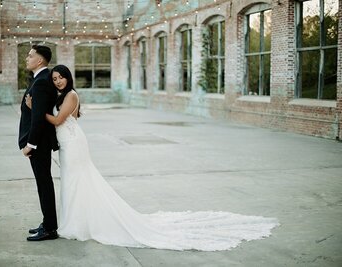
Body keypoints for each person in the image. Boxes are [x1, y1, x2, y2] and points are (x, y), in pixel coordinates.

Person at [27, 64, 279, 251]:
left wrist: (34, 110)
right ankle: (73, 221)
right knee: (72, 182)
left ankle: (81, 223)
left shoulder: (71, 95)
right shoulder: (61, 95)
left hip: (74, 144)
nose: (59, 81)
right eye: (56, 79)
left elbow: (59, 120)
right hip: (67, 143)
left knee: (80, 181)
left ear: (69, 78)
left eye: (62, 77)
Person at [18, 45, 59, 241]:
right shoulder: (40, 79)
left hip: (39, 144)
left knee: (44, 184)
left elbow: (38, 119)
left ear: (40, 60)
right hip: (39, 143)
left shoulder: (42, 82)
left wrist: (30, 145)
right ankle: (47, 223)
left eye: (30, 55)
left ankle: (50, 228)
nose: (27, 58)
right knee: (43, 183)